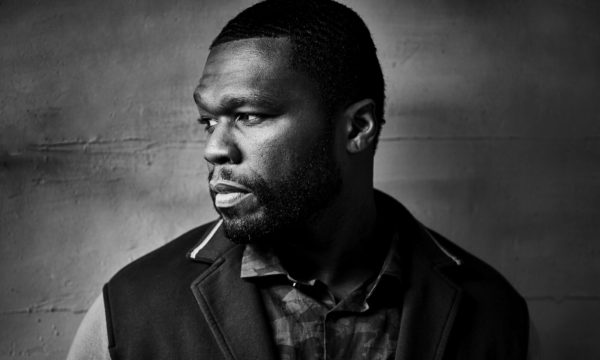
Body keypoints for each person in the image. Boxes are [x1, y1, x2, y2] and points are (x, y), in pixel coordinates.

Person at [67, 0, 530, 359]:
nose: (214, 148)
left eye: (249, 115)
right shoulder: (130, 311)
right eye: (209, 121)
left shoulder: (493, 313)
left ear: (356, 128)